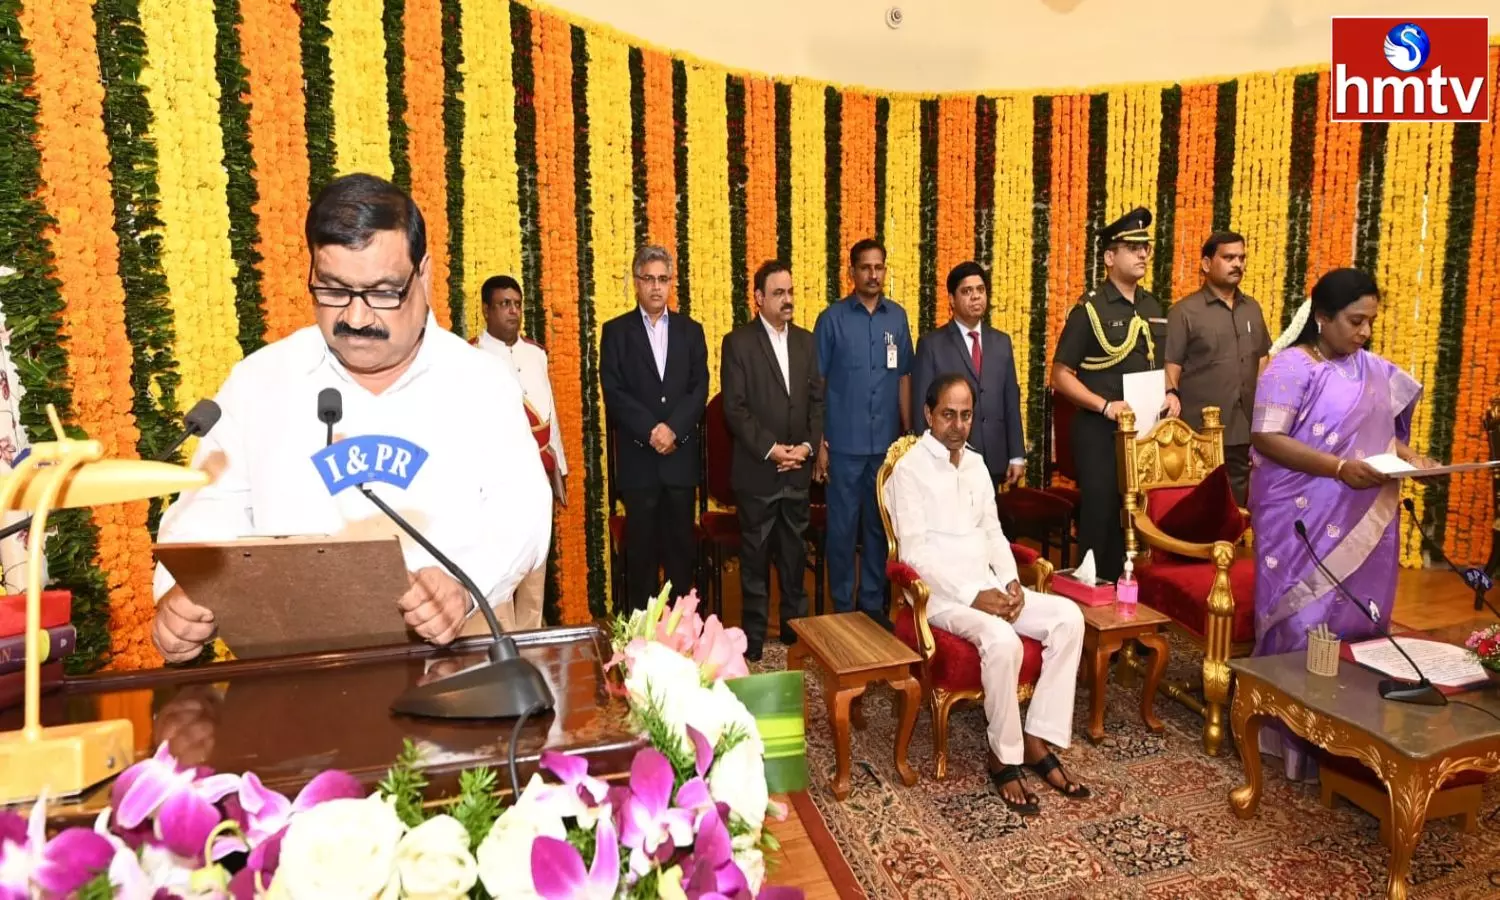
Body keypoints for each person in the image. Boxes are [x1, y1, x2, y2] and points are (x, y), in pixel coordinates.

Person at [151, 174, 551, 663]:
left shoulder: (480, 382)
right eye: (334, 290)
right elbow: (210, 506)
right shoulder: (259, 382)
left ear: (423, 275)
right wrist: (180, 598)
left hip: (456, 665)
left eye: (383, 292)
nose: (357, 318)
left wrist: (464, 586)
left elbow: (522, 511)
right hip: (295, 670)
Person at [1249, 267, 1435, 780]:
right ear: (1323, 318)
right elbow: (1266, 437)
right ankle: (1291, 740)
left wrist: (1413, 458)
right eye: (1355, 321)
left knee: (1360, 618)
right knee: (1302, 620)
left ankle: (1350, 746)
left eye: (1371, 321)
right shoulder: (1291, 367)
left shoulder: (1372, 369)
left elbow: (1382, 432)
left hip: (1365, 516)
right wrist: (1336, 469)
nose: (1365, 332)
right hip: (1301, 516)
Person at [886, 374, 1088, 814]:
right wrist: (973, 596)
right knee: (1002, 640)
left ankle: (1037, 738)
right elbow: (915, 556)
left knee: (1069, 619)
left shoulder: (976, 465)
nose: (957, 425)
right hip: (942, 598)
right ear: (928, 414)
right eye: (948, 415)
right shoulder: (909, 471)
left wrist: (1011, 581)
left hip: (988, 586)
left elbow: (994, 533)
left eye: (965, 415)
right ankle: (1003, 755)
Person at [1051, 206, 1166, 584]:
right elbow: (1060, 376)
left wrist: (1172, 391)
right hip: (1100, 430)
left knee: (1139, 515)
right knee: (1101, 517)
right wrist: (1104, 406)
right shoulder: (1090, 309)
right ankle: (1094, 598)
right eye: (1133, 248)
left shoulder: (1152, 305)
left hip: (1144, 432)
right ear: (1109, 257)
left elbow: (1162, 361)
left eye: (1146, 247)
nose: (1143, 254)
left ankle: (1130, 595)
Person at [719, 260, 824, 660]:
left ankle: (796, 637)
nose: (787, 299)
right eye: (779, 293)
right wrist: (772, 449)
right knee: (755, 562)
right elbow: (735, 408)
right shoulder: (738, 343)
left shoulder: (806, 342)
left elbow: (817, 403)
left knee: (795, 558)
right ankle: (755, 642)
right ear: (759, 298)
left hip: (796, 472)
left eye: (790, 292)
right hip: (759, 473)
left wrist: (806, 448)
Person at [600, 245, 709, 611]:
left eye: (663, 279)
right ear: (636, 282)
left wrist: (673, 429)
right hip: (640, 464)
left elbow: (699, 388)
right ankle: (642, 638)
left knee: (681, 559)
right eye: (649, 279)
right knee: (642, 561)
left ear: (671, 283)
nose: (657, 286)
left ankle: (681, 635)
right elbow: (614, 391)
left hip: (679, 463)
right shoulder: (616, 332)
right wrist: (651, 430)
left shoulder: (691, 331)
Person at [814, 239, 913, 622]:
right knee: (841, 531)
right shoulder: (832, 319)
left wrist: (908, 435)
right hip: (843, 445)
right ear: (851, 272)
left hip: (885, 448)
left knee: (878, 529)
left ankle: (872, 605)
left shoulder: (897, 318)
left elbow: (903, 377)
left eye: (879, 267)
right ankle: (842, 608)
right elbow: (818, 384)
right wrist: (820, 441)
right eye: (866, 267)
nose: (873, 274)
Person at [473, 274, 567, 631]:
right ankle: (504, 641)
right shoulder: (471, 356)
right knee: (501, 569)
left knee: (534, 567)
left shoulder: (536, 353)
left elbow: (549, 417)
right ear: (486, 310)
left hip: (537, 477)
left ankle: (532, 640)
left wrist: (558, 469)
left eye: (516, 304)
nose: (513, 311)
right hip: (496, 481)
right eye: (504, 304)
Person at [1164, 232, 1271, 506]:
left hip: (1245, 427)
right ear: (1206, 264)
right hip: (1198, 432)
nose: (1237, 264)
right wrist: (1171, 399)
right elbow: (1170, 367)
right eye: (1228, 258)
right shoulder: (1184, 312)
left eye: (1241, 258)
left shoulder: (1252, 308)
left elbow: (1262, 360)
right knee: (1202, 506)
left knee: (1239, 505)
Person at [910, 260, 1025, 489]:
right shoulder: (931, 344)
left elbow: (1010, 401)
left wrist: (1016, 455)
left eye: (980, 290)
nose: (976, 297)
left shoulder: (1001, 342)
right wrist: (928, 458)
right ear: (951, 299)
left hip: (994, 457)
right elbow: (922, 407)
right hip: (948, 458)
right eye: (967, 291)